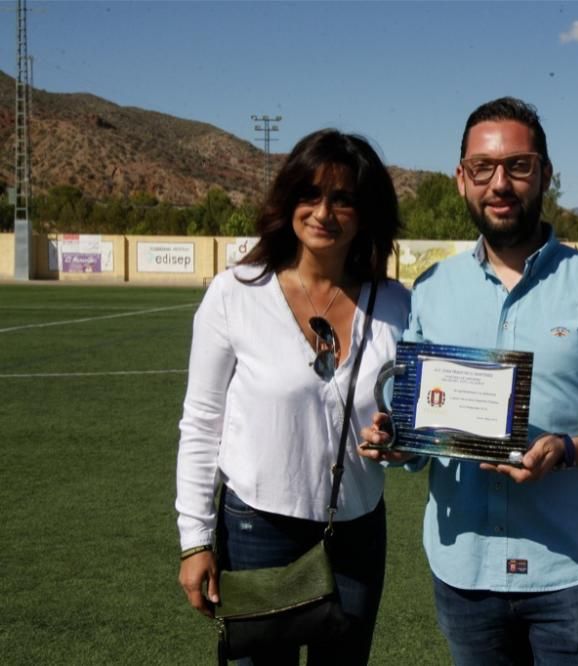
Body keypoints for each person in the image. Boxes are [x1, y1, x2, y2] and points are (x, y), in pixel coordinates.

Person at [361, 97, 578, 665]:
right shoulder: (431, 290)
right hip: (465, 573)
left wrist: (566, 450)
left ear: (545, 175)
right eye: (483, 168)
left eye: (519, 166)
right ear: (461, 180)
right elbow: (421, 439)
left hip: (574, 574)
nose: (500, 183)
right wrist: (397, 441)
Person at [175, 129, 410, 664]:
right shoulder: (237, 292)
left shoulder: (397, 304)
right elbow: (202, 421)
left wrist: (400, 440)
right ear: (288, 201)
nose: (323, 211)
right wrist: (195, 539)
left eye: (343, 198)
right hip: (258, 529)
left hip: (357, 529)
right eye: (310, 194)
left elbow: (415, 413)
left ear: (367, 211)